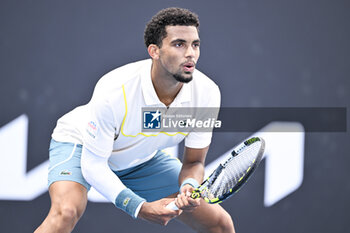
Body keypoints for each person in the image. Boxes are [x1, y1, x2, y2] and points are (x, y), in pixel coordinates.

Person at [34, 7, 235, 233]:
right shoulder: (114, 91)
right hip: (83, 146)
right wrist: (139, 207)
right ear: (154, 51)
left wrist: (189, 186)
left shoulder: (207, 93)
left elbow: (194, 163)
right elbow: (93, 165)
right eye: (179, 44)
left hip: (141, 161)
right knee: (65, 213)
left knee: (220, 223)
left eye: (195, 44)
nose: (191, 53)